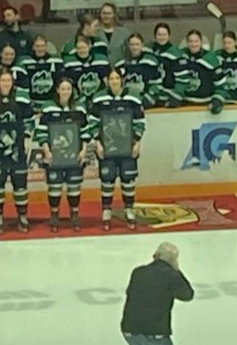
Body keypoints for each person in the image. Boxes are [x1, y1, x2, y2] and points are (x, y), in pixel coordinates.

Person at [0, 68, 36, 233]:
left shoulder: (21, 97)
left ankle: (22, 216)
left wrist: (27, 137)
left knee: (20, 184)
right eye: (3, 81)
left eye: (9, 80)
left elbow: (30, 120)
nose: (6, 84)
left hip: (18, 148)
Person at [88, 68, 146, 230]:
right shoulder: (99, 97)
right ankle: (106, 210)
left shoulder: (133, 97)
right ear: (107, 80)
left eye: (117, 78)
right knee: (107, 180)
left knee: (128, 180)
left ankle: (129, 210)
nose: (114, 81)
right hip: (106, 147)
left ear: (122, 80)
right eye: (111, 78)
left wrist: (137, 141)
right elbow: (93, 121)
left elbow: (140, 121)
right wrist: (97, 142)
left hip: (128, 146)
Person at [36, 78, 89, 231]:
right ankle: (54, 215)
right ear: (57, 90)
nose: (66, 91)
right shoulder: (48, 108)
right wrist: (46, 150)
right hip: (54, 156)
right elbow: (41, 132)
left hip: (74, 155)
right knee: (55, 186)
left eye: (68, 89)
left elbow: (85, 131)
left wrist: (83, 150)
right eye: (63, 88)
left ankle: (74, 214)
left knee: (74, 186)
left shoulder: (79, 108)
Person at [178, 30, 226, 114]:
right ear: (187, 42)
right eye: (191, 41)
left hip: (206, 104)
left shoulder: (211, 58)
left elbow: (221, 84)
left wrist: (218, 100)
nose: (193, 44)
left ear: (201, 42)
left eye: (196, 41)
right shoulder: (181, 57)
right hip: (185, 104)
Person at [20, 35, 64, 112]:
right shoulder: (25, 62)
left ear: (46, 46)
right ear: (33, 47)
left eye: (42, 46)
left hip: (51, 102)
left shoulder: (56, 61)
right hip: (33, 102)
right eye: (37, 46)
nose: (40, 49)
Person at [116, 34, 162, 109]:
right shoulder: (120, 64)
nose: (134, 47)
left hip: (145, 105)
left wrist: (146, 101)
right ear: (128, 45)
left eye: (137, 44)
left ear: (142, 45)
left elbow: (156, 86)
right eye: (132, 44)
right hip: (126, 105)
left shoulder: (150, 62)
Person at [63, 35, 111, 103]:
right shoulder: (69, 62)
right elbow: (68, 82)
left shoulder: (101, 60)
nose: (81, 50)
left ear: (89, 46)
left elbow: (106, 81)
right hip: (78, 99)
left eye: (84, 47)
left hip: (98, 97)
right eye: (79, 48)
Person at [148, 23, 185, 108]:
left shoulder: (176, 53)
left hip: (170, 95)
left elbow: (182, 78)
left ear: (169, 36)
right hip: (154, 95)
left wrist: (176, 95)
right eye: (159, 35)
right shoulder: (149, 52)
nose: (162, 37)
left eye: (164, 34)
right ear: (155, 36)